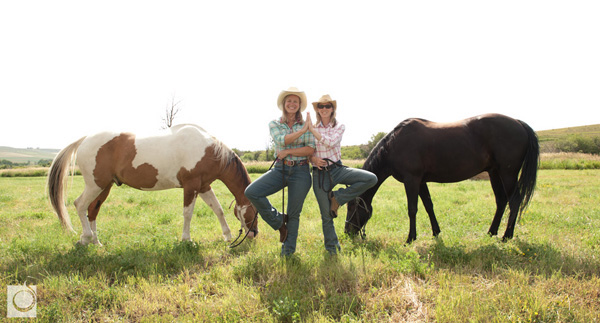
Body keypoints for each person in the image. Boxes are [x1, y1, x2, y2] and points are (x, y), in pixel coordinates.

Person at [245, 87, 316, 257]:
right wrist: (303, 131)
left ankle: (288, 252)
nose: (292, 104)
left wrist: (289, 152)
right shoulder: (275, 124)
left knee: (294, 213)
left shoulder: (305, 124)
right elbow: (281, 141)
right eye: (289, 101)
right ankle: (278, 222)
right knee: (252, 192)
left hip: (301, 171)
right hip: (280, 170)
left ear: (299, 105)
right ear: (284, 104)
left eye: (295, 101)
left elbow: (310, 149)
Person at [308, 94, 377, 255]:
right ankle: (333, 249)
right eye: (321, 106)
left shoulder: (339, 126)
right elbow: (307, 149)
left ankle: (337, 198)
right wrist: (312, 158)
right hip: (320, 174)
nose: (324, 109)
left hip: (338, 169)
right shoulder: (312, 128)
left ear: (332, 109)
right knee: (326, 215)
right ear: (317, 109)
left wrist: (312, 130)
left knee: (370, 178)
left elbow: (331, 142)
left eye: (327, 106)